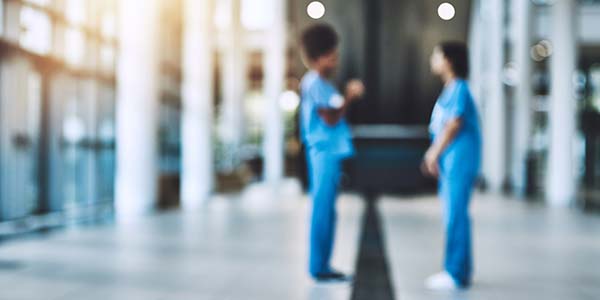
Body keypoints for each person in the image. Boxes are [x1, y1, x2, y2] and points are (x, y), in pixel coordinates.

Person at [299, 23, 364, 282]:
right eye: (331, 55)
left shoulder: (324, 84)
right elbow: (330, 118)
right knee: (322, 209)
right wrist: (349, 96)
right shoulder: (314, 83)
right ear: (317, 57)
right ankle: (319, 266)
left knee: (328, 210)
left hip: (330, 153)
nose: (335, 60)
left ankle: (323, 264)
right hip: (323, 152)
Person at [422, 41, 482, 290]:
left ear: (448, 60)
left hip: (459, 159)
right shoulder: (451, 88)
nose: (432, 59)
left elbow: (454, 123)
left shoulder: (458, 88)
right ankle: (461, 270)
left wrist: (433, 153)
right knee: (454, 213)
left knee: (455, 214)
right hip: (451, 160)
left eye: (436, 55)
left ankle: (454, 272)